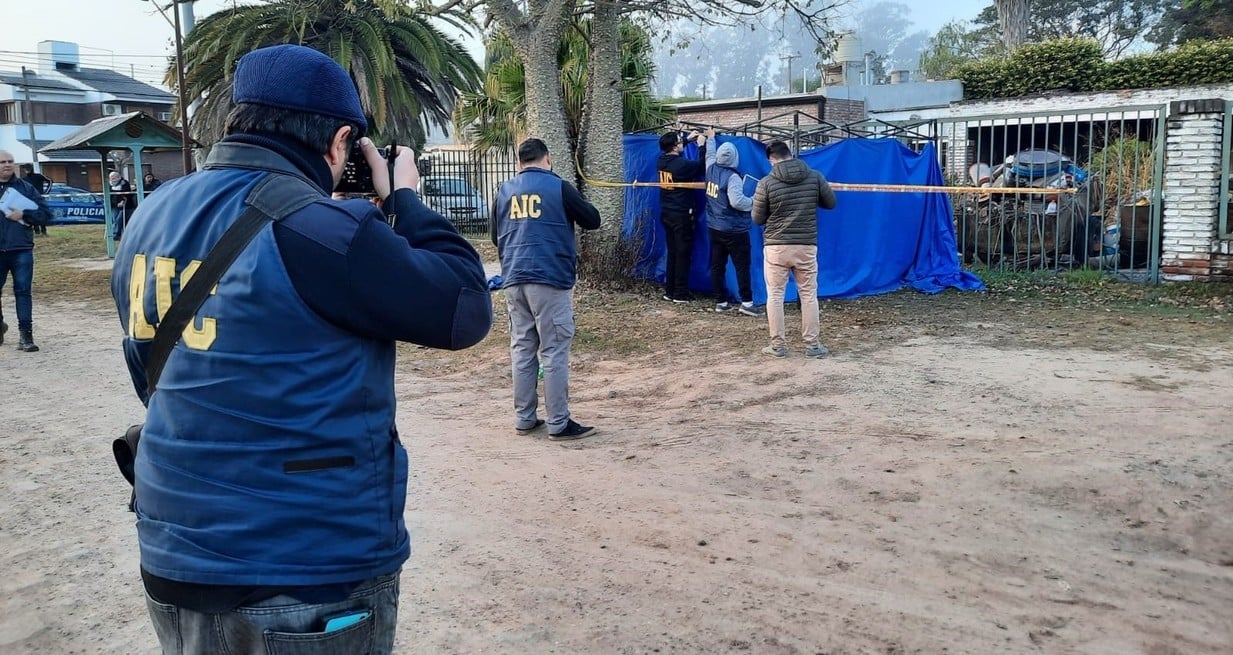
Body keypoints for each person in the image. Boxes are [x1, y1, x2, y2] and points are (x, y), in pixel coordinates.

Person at [110, 44, 492, 655]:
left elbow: (146, 365)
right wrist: (405, 199)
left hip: (174, 555)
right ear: (340, 142)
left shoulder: (151, 214)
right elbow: (465, 308)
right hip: (304, 568)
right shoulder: (324, 230)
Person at [491, 137, 601, 440]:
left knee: (522, 348)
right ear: (548, 158)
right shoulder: (559, 187)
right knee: (553, 351)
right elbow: (592, 220)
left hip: (514, 278)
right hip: (550, 277)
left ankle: (525, 418)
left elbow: (495, 236)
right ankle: (559, 423)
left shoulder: (504, 190)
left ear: (519, 163)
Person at [751, 140, 837, 359]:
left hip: (776, 247)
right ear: (790, 154)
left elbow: (757, 218)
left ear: (772, 159)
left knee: (775, 296)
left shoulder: (766, 183)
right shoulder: (815, 176)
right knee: (808, 295)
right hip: (806, 244)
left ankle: (777, 346)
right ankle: (813, 345)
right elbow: (830, 203)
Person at [702, 128, 763, 317]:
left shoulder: (710, 168)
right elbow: (737, 202)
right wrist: (754, 201)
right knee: (742, 266)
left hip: (714, 226)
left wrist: (711, 139)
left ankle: (721, 302)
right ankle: (747, 303)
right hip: (734, 229)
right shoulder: (733, 177)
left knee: (717, 265)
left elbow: (709, 155)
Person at [0, 150, 51, 352]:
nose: (7, 165)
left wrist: (25, 214)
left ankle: (26, 336)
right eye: (2, 162)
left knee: (23, 292)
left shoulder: (26, 188)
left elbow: (45, 214)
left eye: (10, 161)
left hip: (21, 248)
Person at [656, 128, 706, 302]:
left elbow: (673, 153)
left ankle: (670, 290)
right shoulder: (682, 165)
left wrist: (686, 140)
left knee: (673, 252)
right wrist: (701, 146)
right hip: (681, 213)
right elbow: (701, 166)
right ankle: (680, 292)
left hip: (667, 212)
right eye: (679, 141)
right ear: (674, 146)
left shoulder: (661, 161)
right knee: (683, 252)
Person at [19, 164, 51, 235]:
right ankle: (37, 231)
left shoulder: (39, 176)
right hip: (30, 200)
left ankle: (43, 231)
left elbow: (50, 181)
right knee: (33, 215)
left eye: (27, 169)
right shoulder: (24, 179)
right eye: (25, 169)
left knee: (41, 214)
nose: (26, 170)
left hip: (40, 199)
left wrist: (46, 192)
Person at [108, 170, 135, 241]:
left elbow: (127, 194)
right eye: (111, 178)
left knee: (119, 220)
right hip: (114, 205)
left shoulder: (124, 183)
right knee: (115, 220)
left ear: (118, 177)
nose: (113, 179)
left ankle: (116, 234)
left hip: (125, 206)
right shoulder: (109, 184)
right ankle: (118, 234)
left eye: (114, 177)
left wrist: (123, 200)